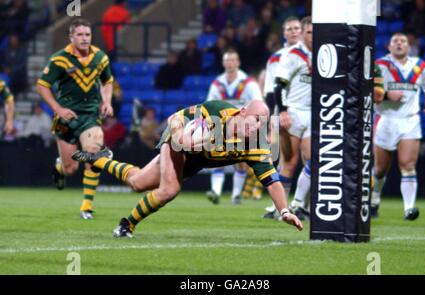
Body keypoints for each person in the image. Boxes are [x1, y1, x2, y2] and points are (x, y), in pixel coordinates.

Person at [72, 100, 302, 238]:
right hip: (176, 142)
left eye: (261, 124)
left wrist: (284, 211)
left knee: (137, 182)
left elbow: (272, 181)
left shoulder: (255, 144)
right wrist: (181, 135)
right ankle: (126, 225)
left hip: (195, 160)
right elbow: (175, 118)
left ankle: (99, 159)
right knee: (170, 189)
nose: (256, 127)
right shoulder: (216, 112)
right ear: (242, 112)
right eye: (254, 120)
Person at [36, 18, 114, 220]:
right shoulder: (59, 60)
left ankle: (86, 207)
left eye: (87, 34)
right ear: (71, 37)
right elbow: (42, 85)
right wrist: (58, 109)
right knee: (71, 168)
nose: (84, 38)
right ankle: (60, 166)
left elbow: (108, 81)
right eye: (79, 34)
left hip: (90, 116)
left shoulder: (100, 57)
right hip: (67, 117)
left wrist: (107, 101)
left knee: (93, 156)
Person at [372, 32, 425, 220]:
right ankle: (374, 199)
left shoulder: (420, 66)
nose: (399, 44)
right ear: (388, 46)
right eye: (395, 41)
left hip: (410, 120)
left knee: (407, 165)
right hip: (385, 119)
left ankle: (409, 209)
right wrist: (387, 95)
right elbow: (367, 90)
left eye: (403, 41)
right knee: (380, 169)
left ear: (409, 47)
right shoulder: (379, 66)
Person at [263, 16, 313, 220]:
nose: (294, 32)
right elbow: (273, 89)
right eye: (289, 28)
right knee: (289, 162)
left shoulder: (322, 54)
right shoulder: (283, 56)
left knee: (313, 160)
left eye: (296, 28)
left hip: (314, 112)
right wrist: (277, 114)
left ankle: (300, 205)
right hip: (290, 112)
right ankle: (280, 208)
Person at [205, 48, 263, 205]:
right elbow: (209, 105)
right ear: (223, 63)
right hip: (222, 124)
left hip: (242, 126)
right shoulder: (217, 83)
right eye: (227, 60)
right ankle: (215, 192)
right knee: (216, 155)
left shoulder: (248, 83)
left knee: (240, 160)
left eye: (233, 60)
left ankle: (235, 195)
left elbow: (259, 103)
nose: (230, 63)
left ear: (238, 62)